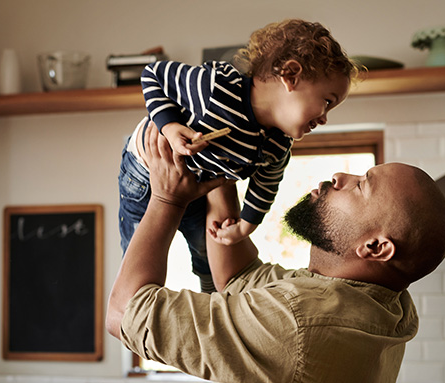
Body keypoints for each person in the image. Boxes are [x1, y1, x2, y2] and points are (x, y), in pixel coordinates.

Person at [107, 123, 445, 383]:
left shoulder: (304, 321)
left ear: (375, 247)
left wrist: (166, 199)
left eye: (361, 185)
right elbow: (237, 278)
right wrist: (222, 177)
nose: (339, 176)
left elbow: (124, 313)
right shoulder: (377, 304)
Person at [118, 19, 358, 292]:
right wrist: (170, 127)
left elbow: (266, 186)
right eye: (327, 101)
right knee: (138, 248)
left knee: (205, 248)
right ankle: (131, 300)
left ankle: (210, 296)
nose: (325, 119)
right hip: (144, 173)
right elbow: (154, 74)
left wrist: (246, 225)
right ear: (291, 76)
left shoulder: (278, 145)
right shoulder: (217, 88)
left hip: (196, 185)